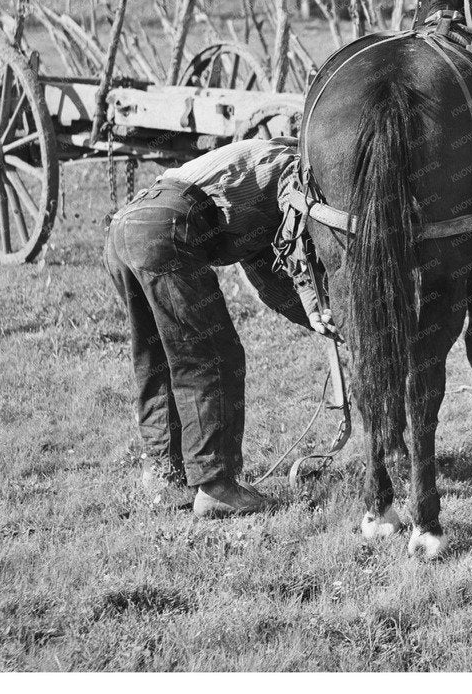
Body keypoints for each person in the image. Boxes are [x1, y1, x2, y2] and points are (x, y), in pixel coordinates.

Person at [105, 137, 320, 517]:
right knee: (211, 354)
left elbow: (268, 279)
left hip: (125, 228)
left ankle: (164, 476)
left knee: (158, 356)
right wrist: (320, 306)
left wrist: (316, 320)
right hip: (165, 225)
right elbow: (298, 241)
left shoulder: (252, 192)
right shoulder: (290, 162)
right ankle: (216, 486)